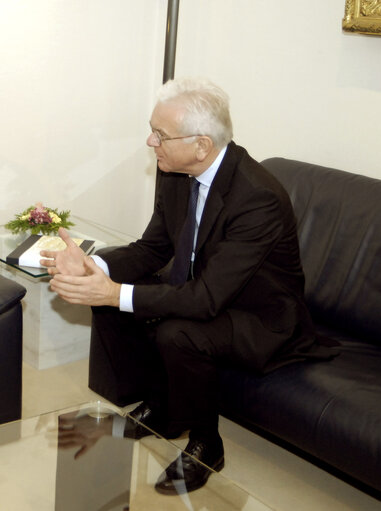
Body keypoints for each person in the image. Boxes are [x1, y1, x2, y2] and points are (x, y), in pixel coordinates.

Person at [41, 77, 334, 493]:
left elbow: (208, 298)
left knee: (177, 331)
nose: (149, 141)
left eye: (160, 135)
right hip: (208, 292)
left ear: (201, 145)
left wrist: (112, 292)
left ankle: (205, 444)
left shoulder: (256, 197)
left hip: (259, 317)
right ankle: (161, 410)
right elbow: (152, 248)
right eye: (152, 129)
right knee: (115, 289)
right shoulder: (177, 170)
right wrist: (96, 266)